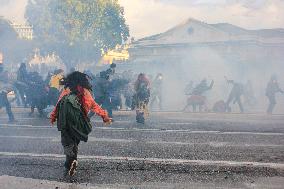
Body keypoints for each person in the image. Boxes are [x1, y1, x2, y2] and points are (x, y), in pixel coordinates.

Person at [50, 71, 111, 176]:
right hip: (80, 122)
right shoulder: (85, 92)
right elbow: (94, 105)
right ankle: (72, 160)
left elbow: (59, 104)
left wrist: (53, 116)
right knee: (75, 142)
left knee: (67, 142)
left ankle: (70, 162)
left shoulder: (66, 91)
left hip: (67, 122)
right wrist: (104, 116)